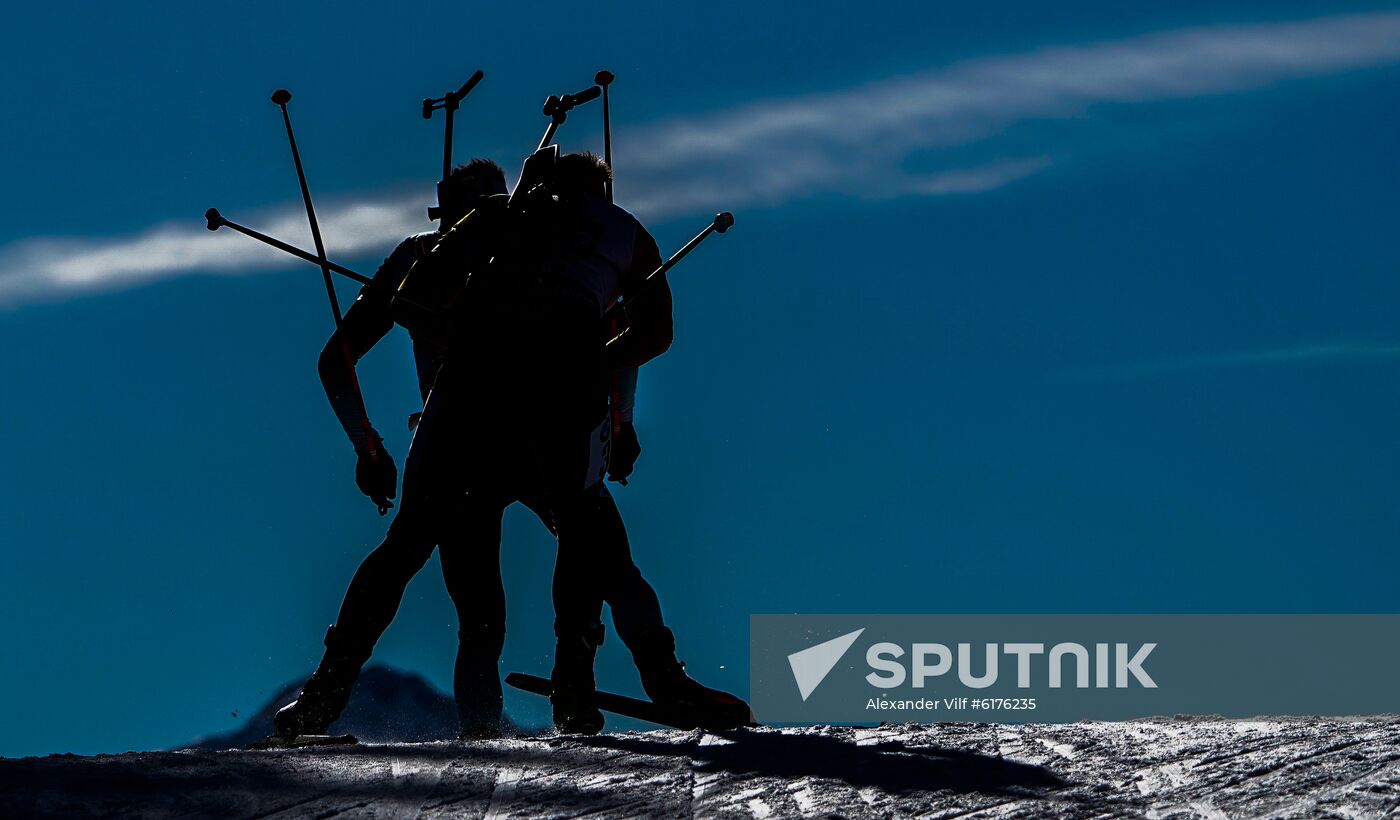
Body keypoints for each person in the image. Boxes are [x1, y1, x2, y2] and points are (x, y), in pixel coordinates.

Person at [274, 157, 744, 740]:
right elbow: (653, 333)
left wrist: (374, 441)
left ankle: (329, 695)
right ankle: (608, 687)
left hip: (462, 408)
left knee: (429, 569)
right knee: (593, 541)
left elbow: (401, 307)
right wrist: (597, 384)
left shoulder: (488, 221)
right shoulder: (621, 229)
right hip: (550, 409)